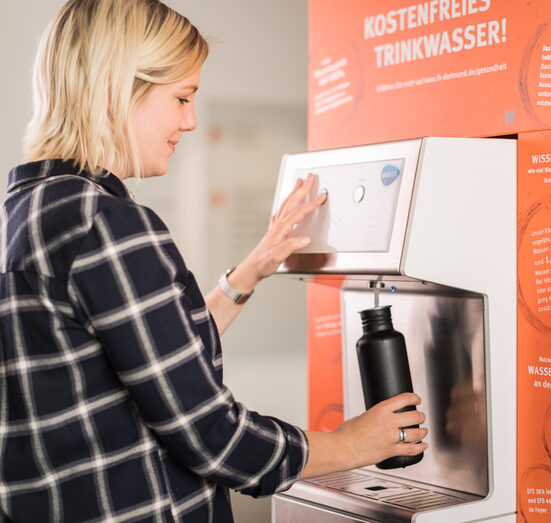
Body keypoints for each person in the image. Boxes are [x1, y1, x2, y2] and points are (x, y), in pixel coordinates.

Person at [0, 1, 428, 521]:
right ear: (115, 89)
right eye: (181, 97)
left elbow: (146, 357)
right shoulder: (107, 224)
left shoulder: (28, 209)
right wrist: (352, 444)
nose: (192, 120)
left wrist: (251, 271)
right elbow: (213, 436)